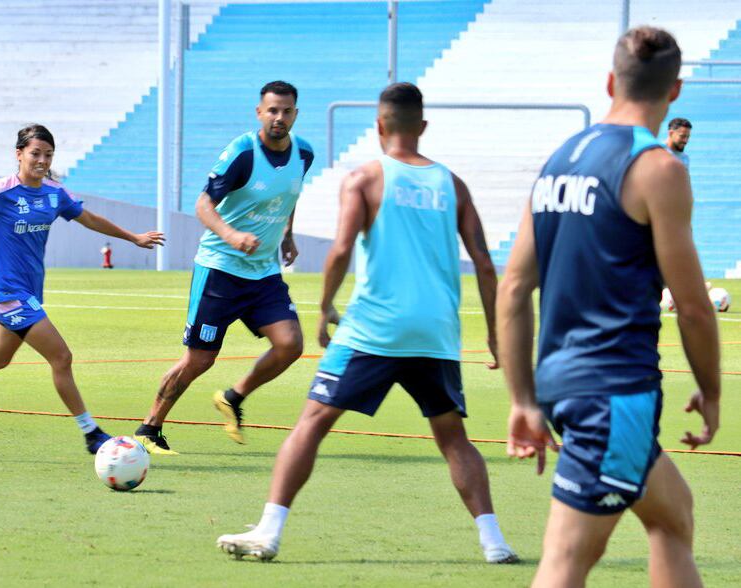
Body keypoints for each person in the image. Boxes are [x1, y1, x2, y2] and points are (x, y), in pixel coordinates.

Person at [216, 82, 518, 564]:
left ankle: (269, 531)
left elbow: (339, 250)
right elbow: (484, 263)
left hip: (374, 329)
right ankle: (494, 542)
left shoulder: (366, 178)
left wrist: (324, 308)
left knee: (311, 424)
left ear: (379, 127)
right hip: (436, 333)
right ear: (421, 127)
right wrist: (496, 336)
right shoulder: (452, 184)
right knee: (453, 438)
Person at [497, 27, 719, 587]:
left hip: (564, 388)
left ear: (608, 82)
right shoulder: (659, 169)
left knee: (674, 517)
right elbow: (692, 306)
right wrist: (711, 391)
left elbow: (515, 287)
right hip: (613, 396)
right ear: (675, 92)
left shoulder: (559, 159)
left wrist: (524, 399)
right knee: (565, 563)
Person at [0, 124, 165, 454]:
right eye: (35, 153)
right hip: (7, 293)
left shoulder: (55, 194)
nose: (42, 160)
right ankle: (90, 433)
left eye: (48, 155)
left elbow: (91, 219)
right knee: (62, 356)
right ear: (19, 154)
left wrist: (134, 237)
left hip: (30, 293)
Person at [133, 81, 313, 455]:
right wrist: (231, 235)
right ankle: (149, 428)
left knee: (291, 343)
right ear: (259, 112)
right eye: (272, 110)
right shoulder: (242, 153)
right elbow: (202, 205)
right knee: (199, 359)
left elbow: (288, 194)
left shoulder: (304, 154)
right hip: (220, 270)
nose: (279, 117)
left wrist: (288, 236)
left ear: (295, 114)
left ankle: (233, 396)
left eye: (286, 111)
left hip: (263, 273)